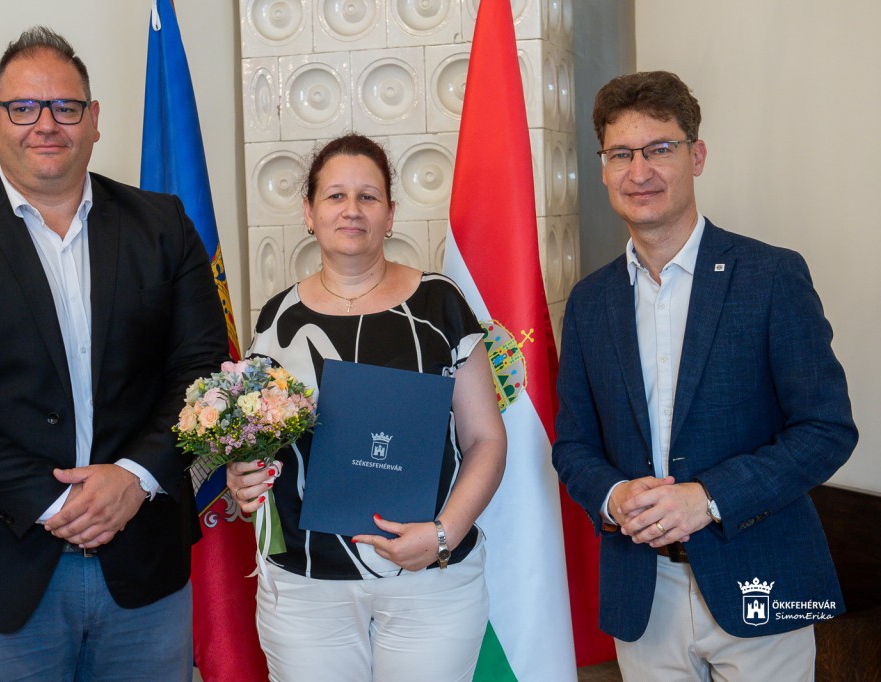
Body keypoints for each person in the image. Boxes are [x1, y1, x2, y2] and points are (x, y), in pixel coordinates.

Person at [0, 27, 228, 680]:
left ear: (93, 120)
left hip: (142, 562)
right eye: (23, 107)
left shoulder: (164, 225)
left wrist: (137, 475)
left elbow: (199, 370)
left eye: (65, 106)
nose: (45, 124)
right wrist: (51, 500)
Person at [552, 70, 857, 680]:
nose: (639, 171)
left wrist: (708, 499)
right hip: (642, 591)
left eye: (659, 148)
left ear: (696, 156)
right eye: (621, 154)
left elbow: (826, 430)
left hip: (761, 577)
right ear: (604, 170)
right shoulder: (589, 301)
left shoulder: (771, 276)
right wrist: (613, 496)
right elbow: (574, 445)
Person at [227, 134, 506, 681]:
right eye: (335, 196)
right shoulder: (276, 318)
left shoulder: (440, 303)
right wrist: (244, 476)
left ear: (390, 214)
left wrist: (444, 534)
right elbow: (259, 444)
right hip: (305, 583)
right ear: (309, 212)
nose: (351, 209)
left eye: (368, 196)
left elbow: (486, 440)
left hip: (430, 577)